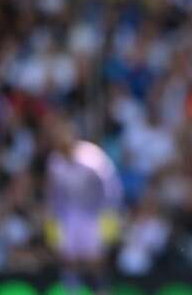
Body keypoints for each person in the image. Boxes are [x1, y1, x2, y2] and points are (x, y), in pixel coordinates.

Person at [42, 110, 123, 293]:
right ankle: (72, 290)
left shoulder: (92, 157)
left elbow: (110, 187)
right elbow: (53, 193)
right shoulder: (54, 162)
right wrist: (51, 218)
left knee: (95, 260)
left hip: (94, 215)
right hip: (69, 215)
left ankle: (101, 290)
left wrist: (111, 216)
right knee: (69, 258)